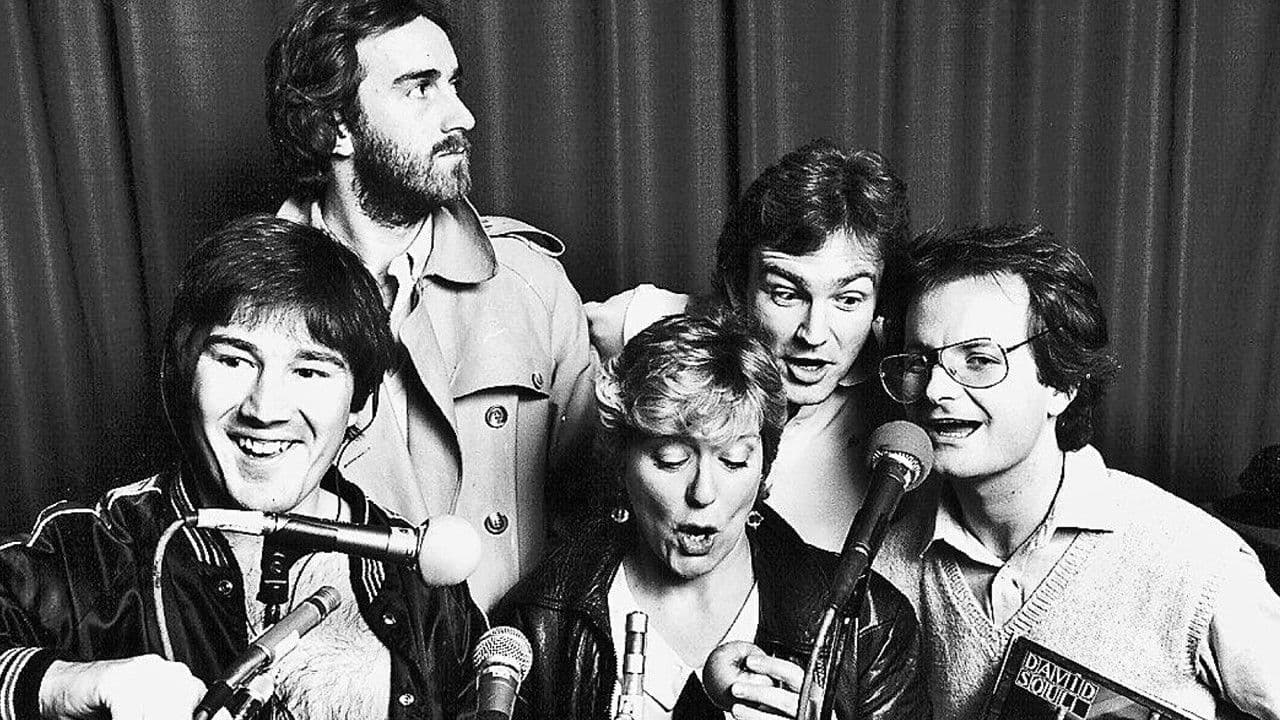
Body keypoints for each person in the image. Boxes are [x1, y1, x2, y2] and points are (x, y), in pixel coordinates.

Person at [0, 215, 485, 720]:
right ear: (182, 374)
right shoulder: (92, 553)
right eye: (234, 361)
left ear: (360, 405)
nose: (265, 408)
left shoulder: (422, 584)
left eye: (309, 370)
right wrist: (68, 685)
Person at [265, 0, 596, 610]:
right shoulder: (251, 313)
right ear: (335, 128)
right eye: (420, 88)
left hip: (514, 656)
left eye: (453, 84)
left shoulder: (531, 283)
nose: (462, 116)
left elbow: (604, 504)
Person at [874, 223, 1280, 719]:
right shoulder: (882, 559)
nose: (936, 390)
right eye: (919, 362)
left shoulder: (1197, 562)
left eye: (978, 360)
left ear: (1061, 384)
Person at [496, 312, 928, 720]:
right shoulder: (538, 623)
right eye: (670, 460)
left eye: (734, 461)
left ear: (764, 468)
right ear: (621, 462)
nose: (703, 493)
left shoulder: (871, 623)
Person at [586, 140, 910, 552]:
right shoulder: (638, 325)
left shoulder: (899, 392)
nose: (813, 334)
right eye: (786, 294)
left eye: (848, 300)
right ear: (739, 287)